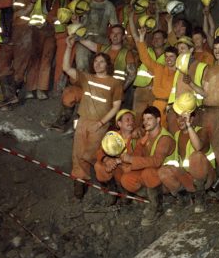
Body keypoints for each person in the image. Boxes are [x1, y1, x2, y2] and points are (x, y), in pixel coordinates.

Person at [61, 35, 123, 200]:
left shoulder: (114, 83)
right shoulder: (87, 78)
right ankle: (80, 185)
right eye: (96, 62)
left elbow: (116, 106)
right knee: (78, 153)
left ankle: (109, 181)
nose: (98, 64)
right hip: (83, 121)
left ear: (108, 65)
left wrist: (102, 123)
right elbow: (67, 68)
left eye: (102, 62)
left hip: (100, 123)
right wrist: (68, 47)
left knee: (91, 154)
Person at [188, 36, 219, 201]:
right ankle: (208, 184)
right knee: (204, 148)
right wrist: (191, 84)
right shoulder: (210, 69)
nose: (217, 51)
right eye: (215, 48)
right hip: (206, 112)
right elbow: (204, 93)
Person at [120, 106, 175, 226]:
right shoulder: (147, 135)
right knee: (126, 179)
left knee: (147, 173)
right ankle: (153, 199)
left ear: (159, 120)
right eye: (144, 120)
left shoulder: (164, 138)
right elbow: (137, 155)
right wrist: (138, 147)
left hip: (168, 179)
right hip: (153, 177)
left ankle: (157, 208)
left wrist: (132, 160)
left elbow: (157, 161)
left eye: (149, 119)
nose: (145, 122)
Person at [158, 100, 216, 214]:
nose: (180, 120)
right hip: (188, 180)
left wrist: (189, 126)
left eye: (184, 118)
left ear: (192, 119)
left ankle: (200, 198)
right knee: (163, 171)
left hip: (205, 179)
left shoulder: (201, 131)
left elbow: (198, 147)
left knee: (196, 156)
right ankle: (184, 197)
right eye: (178, 117)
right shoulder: (176, 135)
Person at [135, 27, 178, 129]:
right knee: (151, 130)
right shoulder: (159, 68)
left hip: (172, 107)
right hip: (156, 104)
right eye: (166, 56)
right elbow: (145, 58)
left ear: (177, 58)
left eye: (171, 56)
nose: (168, 59)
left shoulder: (179, 74)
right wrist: (141, 37)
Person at [76, 0, 118, 71]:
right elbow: (76, 16)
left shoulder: (109, 6)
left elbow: (115, 25)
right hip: (84, 37)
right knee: (81, 65)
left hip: (101, 39)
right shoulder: (86, 1)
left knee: (102, 67)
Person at [93, 109, 138, 196]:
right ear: (119, 124)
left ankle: (127, 193)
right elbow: (100, 152)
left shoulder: (137, 137)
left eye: (132, 119)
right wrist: (106, 159)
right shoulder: (112, 136)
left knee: (125, 172)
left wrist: (117, 161)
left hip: (129, 168)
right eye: (127, 120)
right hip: (116, 167)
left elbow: (139, 157)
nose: (131, 122)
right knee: (99, 166)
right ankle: (112, 190)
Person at [132, 29, 167, 123]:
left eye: (159, 38)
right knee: (137, 118)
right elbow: (137, 40)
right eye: (154, 38)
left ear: (165, 41)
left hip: (156, 93)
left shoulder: (168, 57)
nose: (156, 40)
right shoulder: (146, 50)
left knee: (153, 119)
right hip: (141, 90)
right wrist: (142, 36)